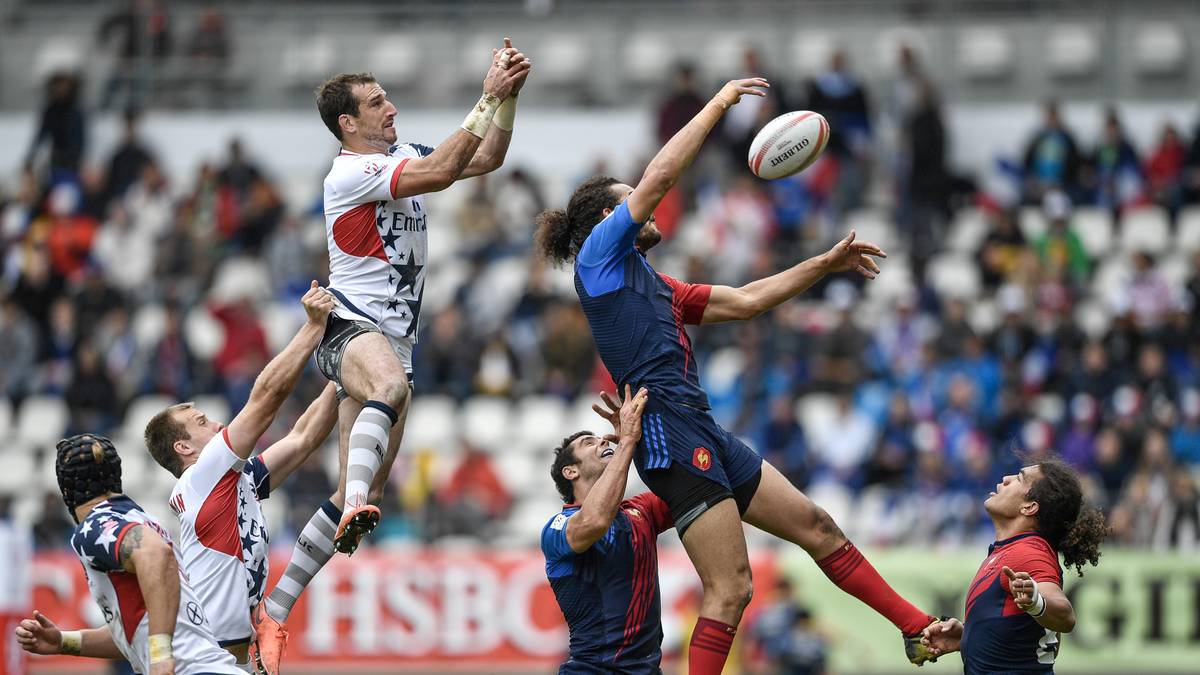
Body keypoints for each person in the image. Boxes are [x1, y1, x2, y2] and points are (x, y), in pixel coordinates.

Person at [533, 77, 938, 673]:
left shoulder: (657, 285)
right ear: (606, 217)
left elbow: (746, 301)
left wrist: (824, 263)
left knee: (817, 526)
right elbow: (661, 179)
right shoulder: (598, 261)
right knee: (732, 589)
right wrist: (720, 105)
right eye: (630, 199)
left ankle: (917, 627)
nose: (647, 204)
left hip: (701, 429)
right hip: (670, 435)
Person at [312, 38, 529, 556]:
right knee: (388, 389)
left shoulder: (401, 156)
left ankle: (277, 609)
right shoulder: (351, 171)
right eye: (377, 103)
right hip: (352, 325)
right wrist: (485, 97)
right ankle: (358, 499)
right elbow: (442, 173)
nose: (392, 109)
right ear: (347, 122)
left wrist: (508, 97)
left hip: (396, 339)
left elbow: (488, 158)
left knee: (358, 492)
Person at [143, 284, 338, 672]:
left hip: (222, 657)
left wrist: (346, 370)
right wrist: (314, 329)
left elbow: (302, 440)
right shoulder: (203, 475)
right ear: (183, 448)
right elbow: (265, 397)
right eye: (201, 422)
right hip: (207, 659)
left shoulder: (230, 482)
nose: (216, 424)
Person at [15, 434, 242, 674]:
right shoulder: (141, 519)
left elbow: (156, 555)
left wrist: (161, 656)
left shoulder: (95, 526)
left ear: (66, 488)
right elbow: (135, 634)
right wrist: (63, 642)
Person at [921, 460, 1108, 673]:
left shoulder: (1027, 552)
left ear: (1029, 507)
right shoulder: (1009, 551)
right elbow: (1041, 642)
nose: (1006, 479)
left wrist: (1036, 601)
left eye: (1019, 478)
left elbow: (1065, 617)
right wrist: (967, 637)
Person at [542, 385, 672, 673]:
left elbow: (689, 487)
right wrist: (626, 442)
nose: (603, 441)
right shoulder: (556, 528)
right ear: (571, 471)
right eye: (590, 442)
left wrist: (645, 432)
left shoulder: (642, 512)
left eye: (604, 439)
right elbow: (596, 521)